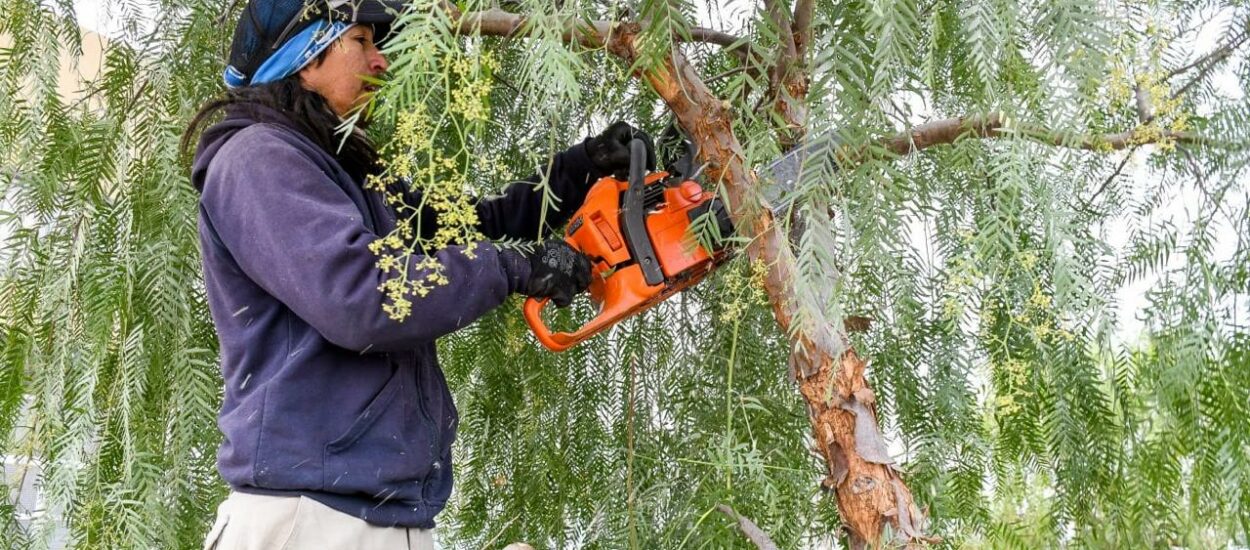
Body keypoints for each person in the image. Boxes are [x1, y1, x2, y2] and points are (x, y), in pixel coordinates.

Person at [183, 1, 654, 548]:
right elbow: (362, 297)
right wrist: (517, 268)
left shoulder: (343, 177)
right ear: (306, 60)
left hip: (373, 516)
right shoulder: (256, 159)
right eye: (362, 41)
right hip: (308, 521)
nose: (382, 61)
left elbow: (469, 224)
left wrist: (584, 165)